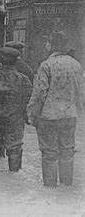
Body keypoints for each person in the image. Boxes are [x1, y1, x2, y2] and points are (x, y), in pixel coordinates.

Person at [27, 31, 83, 187]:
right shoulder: (76, 65)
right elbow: (81, 93)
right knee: (67, 152)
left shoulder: (46, 65)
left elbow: (39, 93)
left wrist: (32, 115)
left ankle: (51, 190)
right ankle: (66, 188)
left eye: (47, 42)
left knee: (49, 154)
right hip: (69, 116)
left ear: (52, 45)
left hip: (48, 117)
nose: (46, 45)